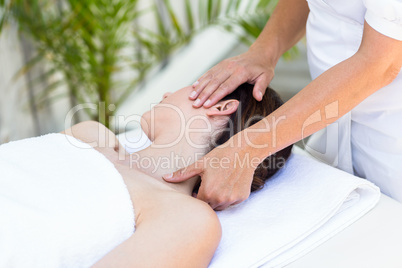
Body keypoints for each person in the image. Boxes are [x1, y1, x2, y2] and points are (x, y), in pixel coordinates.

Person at [0, 84, 292, 267]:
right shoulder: (90, 135)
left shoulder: (185, 219)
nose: (166, 93)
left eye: (191, 86)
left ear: (221, 107)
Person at [163, 0, 402, 209]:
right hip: (330, 120)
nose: (166, 94)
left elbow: (381, 63)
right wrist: (264, 51)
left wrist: (250, 147)